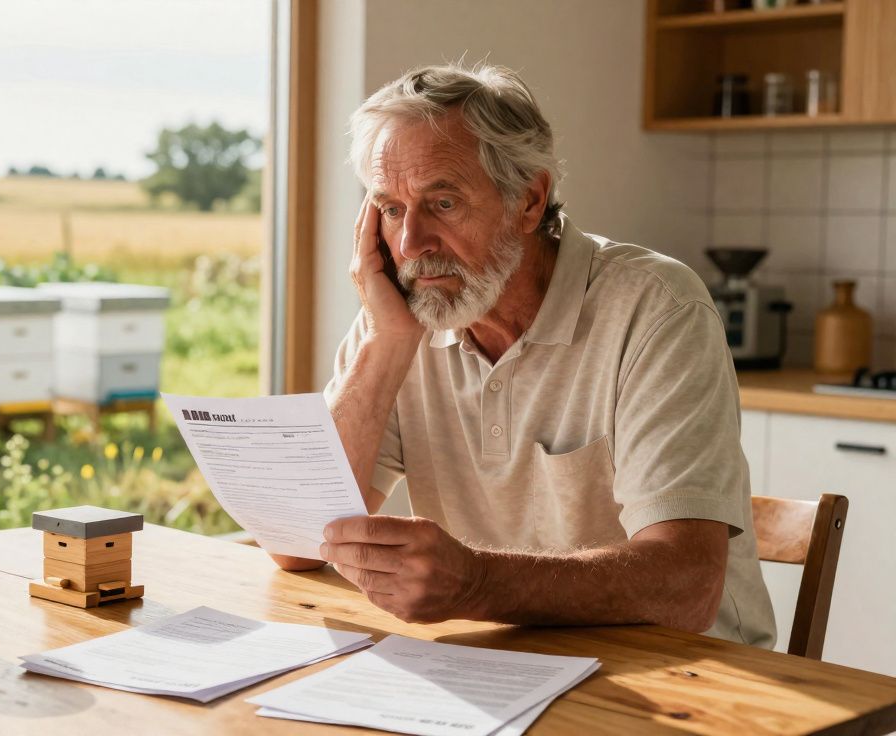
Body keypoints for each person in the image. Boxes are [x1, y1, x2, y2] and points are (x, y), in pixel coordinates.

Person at [272, 62, 774, 648]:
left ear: (530, 201)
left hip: (688, 670)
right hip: (503, 662)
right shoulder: (403, 316)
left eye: (443, 203)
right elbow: (295, 544)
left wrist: (477, 583)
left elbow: (686, 586)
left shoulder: (657, 307)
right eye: (390, 209)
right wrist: (385, 343)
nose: (410, 244)